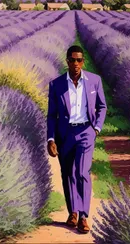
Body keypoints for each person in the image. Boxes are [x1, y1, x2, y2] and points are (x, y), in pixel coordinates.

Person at [46, 45, 107, 234]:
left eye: (79, 60)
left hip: (86, 132)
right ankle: (72, 211)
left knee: (82, 172)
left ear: (83, 61)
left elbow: (102, 106)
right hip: (65, 134)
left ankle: (83, 216)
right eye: (72, 60)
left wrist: (96, 128)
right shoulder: (56, 85)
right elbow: (51, 115)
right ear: (67, 61)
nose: (76, 63)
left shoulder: (94, 81)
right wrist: (50, 139)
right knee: (67, 174)